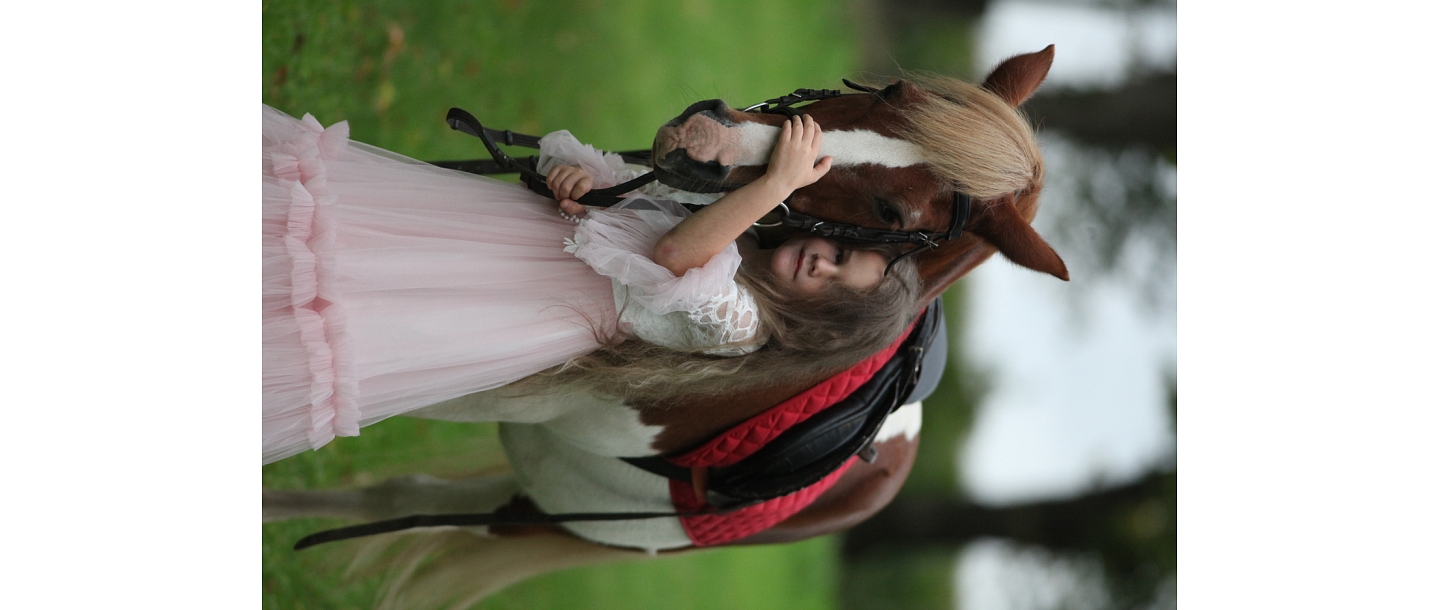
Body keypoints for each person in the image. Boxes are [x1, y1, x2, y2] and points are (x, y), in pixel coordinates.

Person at [263, 106, 922, 464]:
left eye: (837, 279)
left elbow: (673, 256)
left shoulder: (742, 328)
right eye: (838, 250)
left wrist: (778, 182)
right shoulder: (736, 237)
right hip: (501, 232)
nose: (823, 261)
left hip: (518, 304)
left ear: (824, 321)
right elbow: (614, 186)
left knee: (353, 307)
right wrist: (576, 180)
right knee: (336, 234)